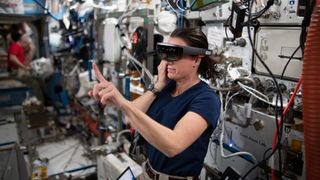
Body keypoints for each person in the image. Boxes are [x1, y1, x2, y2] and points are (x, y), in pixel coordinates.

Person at [89, 28, 221, 179]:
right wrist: (156, 87)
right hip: (147, 172)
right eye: (165, 52)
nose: (167, 60)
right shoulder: (164, 87)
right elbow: (129, 119)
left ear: (196, 60)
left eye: (174, 53)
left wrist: (123, 103)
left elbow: (173, 145)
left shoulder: (206, 99)